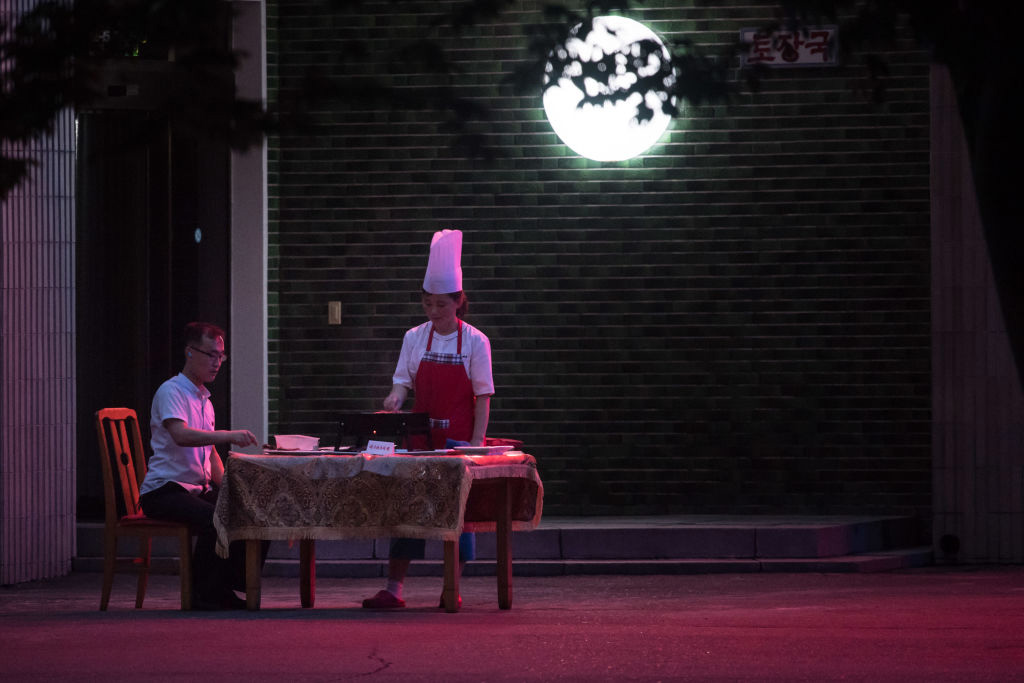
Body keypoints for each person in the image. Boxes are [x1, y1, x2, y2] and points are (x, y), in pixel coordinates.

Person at [362, 229, 494, 609]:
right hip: (419, 438)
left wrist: (477, 444)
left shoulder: (475, 341)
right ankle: (394, 589)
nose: (433, 312)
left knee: (457, 517)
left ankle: (451, 588)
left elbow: (482, 397)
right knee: (407, 510)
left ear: (458, 302)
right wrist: (394, 399)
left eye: (440, 305)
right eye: (427, 304)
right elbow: (402, 383)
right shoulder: (414, 337)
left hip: (457, 442)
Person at [139, 321, 261, 610]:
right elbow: (181, 436)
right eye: (210, 355)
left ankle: (228, 583)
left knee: (252, 510)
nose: (217, 362)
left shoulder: (204, 399)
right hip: (165, 491)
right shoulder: (172, 391)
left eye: (221, 356)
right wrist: (228, 435)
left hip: (195, 488)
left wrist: (232, 488)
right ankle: (203, 594)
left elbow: (211, 454)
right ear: (189, 353)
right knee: (215, 519)